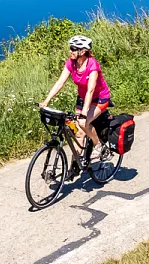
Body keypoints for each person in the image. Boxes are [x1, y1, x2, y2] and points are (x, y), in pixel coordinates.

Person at [40, 34, 111, 175]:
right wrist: (46, 101)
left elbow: (91, 90)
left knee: (83, 123)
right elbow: (60, 83)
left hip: (99, 99)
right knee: (78, 132)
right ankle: (76, 165)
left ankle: (99, 146)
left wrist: (84, 112)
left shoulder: (93, 66)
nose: (70, 51)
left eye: (73, 48)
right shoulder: (71, 63)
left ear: (83, 51)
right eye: (70, 48)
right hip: (82, 99)